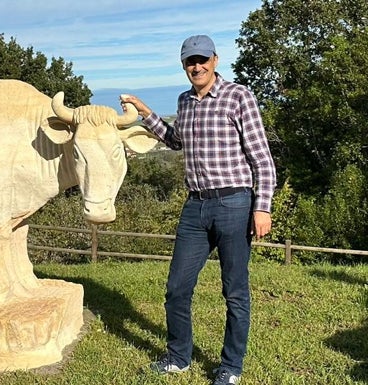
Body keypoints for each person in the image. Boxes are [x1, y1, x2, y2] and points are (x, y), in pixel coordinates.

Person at [120, 35, 276, 385]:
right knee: (177, 287)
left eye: (203, 59)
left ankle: (230, 367)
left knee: (234, 291)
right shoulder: (185, 101)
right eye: (191, 61)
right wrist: (146, 113)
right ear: (183, 65)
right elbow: (176, 141)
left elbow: (262, 159)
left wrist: (261, 208)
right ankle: (178, 357)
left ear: (215, 61)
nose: (197, 66)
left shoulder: (239, 97)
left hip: (235, 203)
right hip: (195, 206)